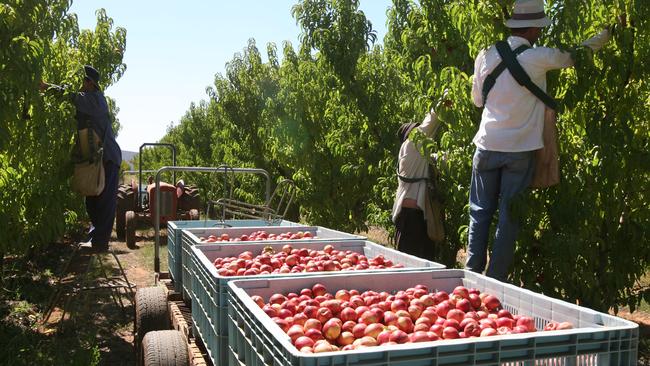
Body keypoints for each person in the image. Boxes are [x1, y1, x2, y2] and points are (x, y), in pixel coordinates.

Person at [465, 0, 613, 281]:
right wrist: (607, 34)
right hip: (519, 151)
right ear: (533, 29)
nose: (540, 34)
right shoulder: (538, 57)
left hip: (485, 145)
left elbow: (476, 101)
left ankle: (471, 276)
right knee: (509, 219)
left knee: (479, 213)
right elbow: (575, 55)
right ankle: (495, 281)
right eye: (539, 29)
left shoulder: (485, 55)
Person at [41, 66, 122, 252]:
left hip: (108, 157)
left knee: (104, 200)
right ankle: (95, 238)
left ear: (89, 83)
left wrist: (47, 87)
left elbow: (71, 96)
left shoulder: (96, 101)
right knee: (91, 198)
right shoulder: (89, 102)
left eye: (82, 81)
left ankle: (100, 242)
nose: (79, 85)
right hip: (95, 158)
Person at [391, 108, 440, 261]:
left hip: (414, 218)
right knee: (413, 266)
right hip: (412, 220)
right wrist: (444, 98)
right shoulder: (411, 145)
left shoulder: (416, 157)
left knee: (415, 265)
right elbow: (430, 123)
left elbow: (441, 159)